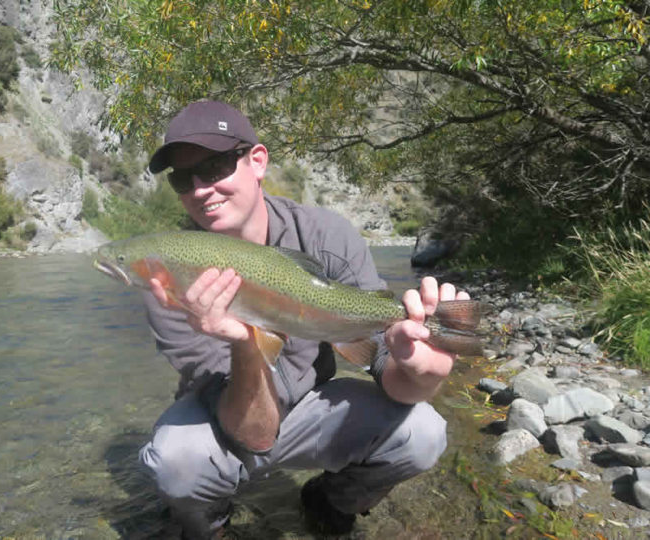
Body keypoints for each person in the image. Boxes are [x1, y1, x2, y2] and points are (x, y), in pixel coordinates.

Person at [137, 100, 470, 539]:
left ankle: (331, 501)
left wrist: (422, 371)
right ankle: (210, 522)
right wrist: (244, 342)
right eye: (183, 178)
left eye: (215, 167)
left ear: (256, 162)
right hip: (229, 417)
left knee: (423, 431)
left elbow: (384, 366)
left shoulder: (326, 236)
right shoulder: (172, 282)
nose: (200, 189)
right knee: (175, 461)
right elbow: (253, 435)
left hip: (313, 411)